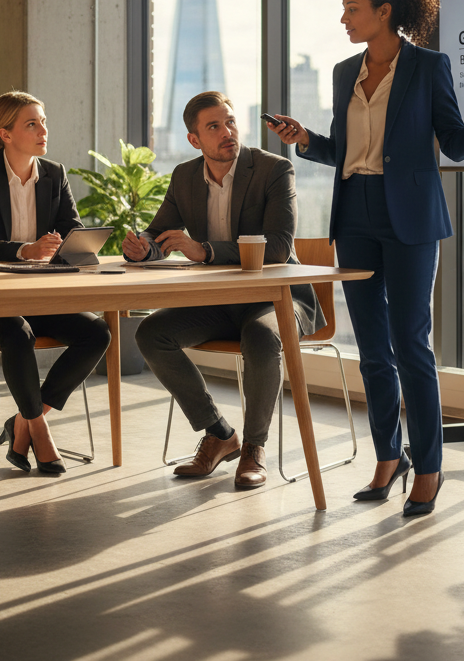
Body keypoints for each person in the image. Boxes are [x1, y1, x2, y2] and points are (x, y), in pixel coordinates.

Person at [269, 0, 464, 517]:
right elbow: (344, 149)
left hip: (410, 216)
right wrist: (306, 139)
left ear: (384, 11)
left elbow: (455, 146)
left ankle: (430, 469)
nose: (343, 18)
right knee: (371, 350)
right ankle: (388, 457)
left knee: (412, 346)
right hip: (356, 215)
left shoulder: (428, 67)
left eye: (352, 8)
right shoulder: (345, 72)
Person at [123, 91, 318, 489]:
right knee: (151, 333)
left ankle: (254, 448)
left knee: (262, 338)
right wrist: (144, 246)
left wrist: (204, 250)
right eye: (214, 126)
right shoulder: (185, 176)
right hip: (220, 301)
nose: (227, 132)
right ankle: (218, 433)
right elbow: (160, 231)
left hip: (279, 297)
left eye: (229, 121)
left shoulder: (274, 170)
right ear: (195, 140)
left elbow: (279, 245)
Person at [0, 91, 111, 475]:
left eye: (43, 121)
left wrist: (73, 242)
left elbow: (71, 226)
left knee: (98, 333)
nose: (43, 130)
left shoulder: (54, 173)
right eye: (32, 123)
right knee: (17, 334)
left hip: (38, 294)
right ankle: (38, 429)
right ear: (5, 134)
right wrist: (26, 249)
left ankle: (23, 420)